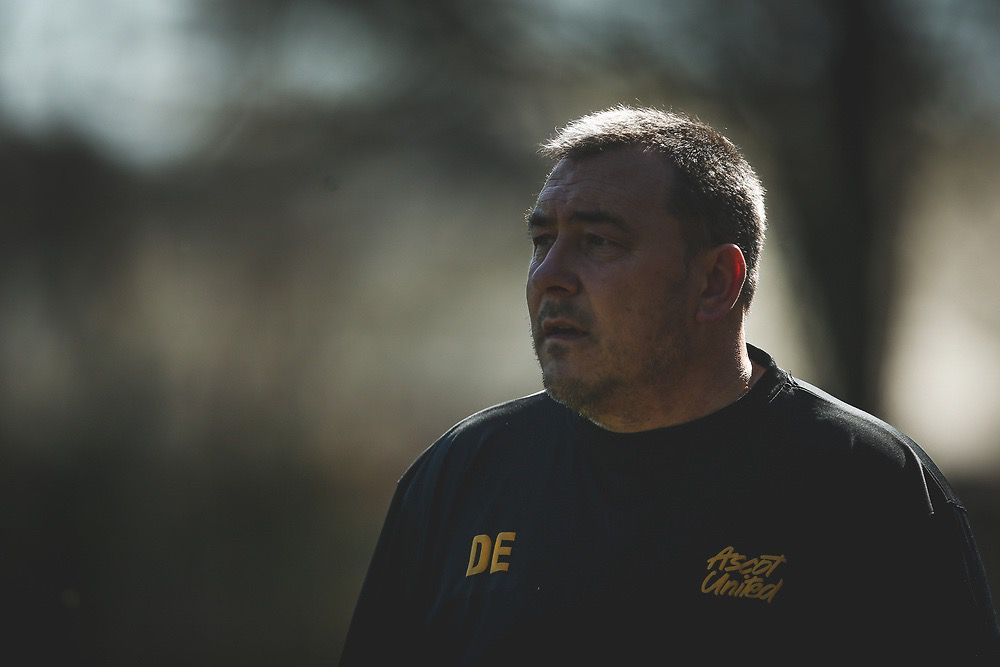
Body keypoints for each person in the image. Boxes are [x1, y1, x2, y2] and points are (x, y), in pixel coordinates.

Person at [339, 106, 1000, 665]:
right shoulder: (461, 474)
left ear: (716, 280)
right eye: (543, 240)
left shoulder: (869, 485)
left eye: (598, 241)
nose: (549, 276)